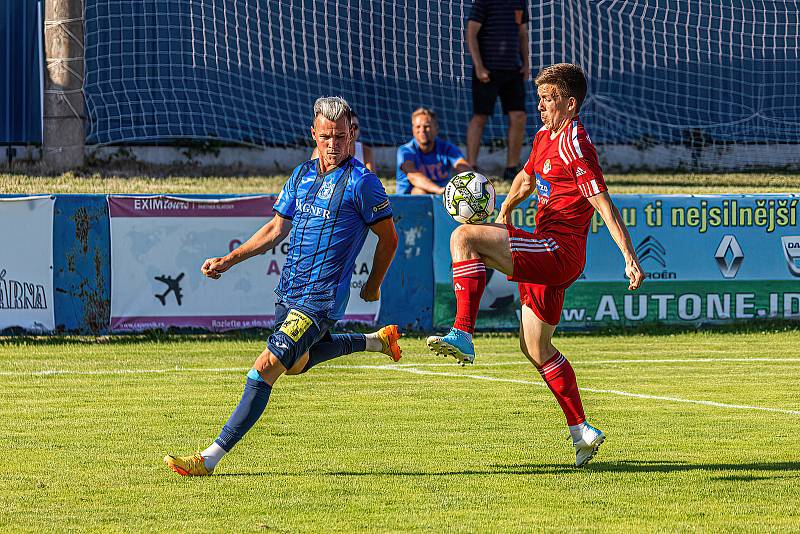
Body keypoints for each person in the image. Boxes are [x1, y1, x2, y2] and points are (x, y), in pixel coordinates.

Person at [164, 96, 402, 476]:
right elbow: (276, 229)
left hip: (320, 298)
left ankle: (208, 458)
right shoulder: (300, 175)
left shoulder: (363, 183)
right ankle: (375, 341)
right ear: (314, 133)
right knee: (296, 364)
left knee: (266, 367)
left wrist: (373, 284)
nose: (334, 144)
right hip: (289, 291)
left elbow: (389, 238)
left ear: (352, 135)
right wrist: (228, 260)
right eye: (327, 136)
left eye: (342, 136)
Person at [427, 64, 645, 467]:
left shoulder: (575, 145)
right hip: (549, 251)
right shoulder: (546, 137)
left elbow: (604, 205)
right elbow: (527, 179)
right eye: (540, 98)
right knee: (535, 346)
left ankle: (462, 332)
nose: (541, 105)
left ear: (570, 103)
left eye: (548, 99)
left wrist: (629, 258)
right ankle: (582, 431)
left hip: (559, 250)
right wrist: (505, 210)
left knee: (464, 237)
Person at [465, 0, 530, 181]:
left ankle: (511, 167)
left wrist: (526, 63)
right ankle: (471, 167)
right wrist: (479, 66)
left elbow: (522, 34)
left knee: (519, 116)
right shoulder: (483, 3)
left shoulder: (520, 3)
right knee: (480, 117)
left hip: (513, 70)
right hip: (487, 71)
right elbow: (471, 34)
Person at [396, 107, 473, 195]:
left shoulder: (447, 148)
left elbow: (462, 166)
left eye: (427, 126)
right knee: (420, 192)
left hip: (441, 197)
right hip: (410, 200)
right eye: (418, 127)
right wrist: (439, 190)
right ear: (413, 130)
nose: (422, 131)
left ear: (436, 129)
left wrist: (476, 180)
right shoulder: (405, 151)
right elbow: (413, 175)